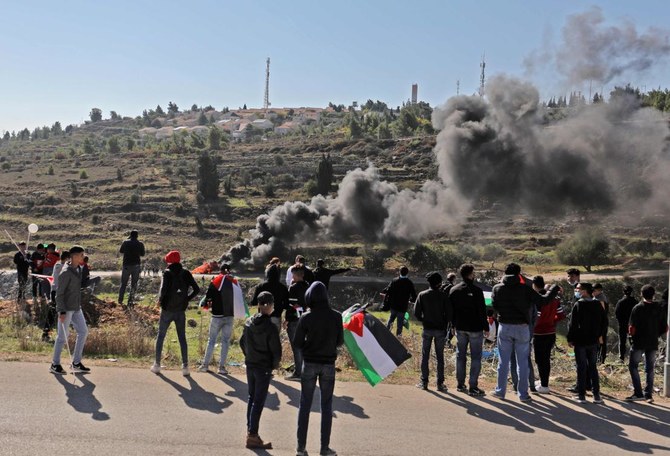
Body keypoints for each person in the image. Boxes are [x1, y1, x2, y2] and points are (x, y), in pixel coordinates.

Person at [491, 263, 559, 402]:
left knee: (503, 361)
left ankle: (500, 391)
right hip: (522, 327)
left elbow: (495, 306)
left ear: (505, 272)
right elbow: (544, 301)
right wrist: (554, 289)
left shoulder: (497, 288)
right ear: (519, 274)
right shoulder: (526, 289)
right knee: (522, 362)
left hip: (504, 326)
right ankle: (523, 394)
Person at [294, 281, 343, 456]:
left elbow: (297, 343)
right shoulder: (336, 316)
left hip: (309, 363)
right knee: (327, 406)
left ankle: (301, 447)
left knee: (305, 404)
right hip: (328, 363)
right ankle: (324, 447)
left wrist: (309, 343)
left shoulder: (306, 317)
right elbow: (340, 341)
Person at [240, 291, 281, 449]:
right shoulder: (270, 327)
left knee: (251, 397)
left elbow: (241, 342)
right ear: (270, 306)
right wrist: (273, 365)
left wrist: (248, 355)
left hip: (251, 364)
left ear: (258, 305)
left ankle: (250, 431)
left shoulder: (249, 323)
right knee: (258, 401)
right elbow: (276, 351)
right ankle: (253, 435)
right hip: (263, 367)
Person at [151, 250, 200, 376]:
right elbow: (197, 289)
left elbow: (163, 290)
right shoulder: (186, 273)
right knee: (182, 338)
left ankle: (157, 365)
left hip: (167, 310)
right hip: (180, 311)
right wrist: (186, 299)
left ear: (169, 261)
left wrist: (159, 302)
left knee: (160, 336)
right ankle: (185, 367)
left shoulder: (167, 273)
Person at [50, 246, 90, 375]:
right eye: (81, 255)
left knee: (83, 332)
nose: (83, 257)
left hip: (76, 307)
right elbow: (59, 293)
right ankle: (55, 364)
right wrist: (61, 311)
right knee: (62, 337)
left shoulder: (78, 268)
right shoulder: (65, 272)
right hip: (66, 309)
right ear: (74, 256)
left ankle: (76, 363)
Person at [449, 264, 487, 396]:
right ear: (470, 274)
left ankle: (460, 384)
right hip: (475, 328)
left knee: (461, 356)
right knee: (476, 357)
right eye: (473, 273)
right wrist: (486, 327)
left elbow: (451, 311)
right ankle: (473, 386)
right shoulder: (477, 291)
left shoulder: (454, 290)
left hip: (460, 327)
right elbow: (482, 312)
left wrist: (452, 325)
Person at [626, 285, 668, 403]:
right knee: (650, 368)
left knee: (633, 366)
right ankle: (648, 394)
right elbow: (665, 327)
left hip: (639, 342)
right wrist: (656, 334)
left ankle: (638, 392)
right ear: (654, 294)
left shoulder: (637, 308)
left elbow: (631, 328)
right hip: (652, 341)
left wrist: (632, 338)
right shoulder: (659, 308)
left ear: (641, 294)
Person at [567, 283, 606, 404]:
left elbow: (573, 324)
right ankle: (596, 395)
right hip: (593, 341)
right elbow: (604, 322)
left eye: (579, 289)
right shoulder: (598, 304)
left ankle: (582, 395)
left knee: (581, 367)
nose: (577, 291)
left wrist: (570, 338)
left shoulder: (579, 304)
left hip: (580, 341)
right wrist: (599, 335)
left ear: (584, 291)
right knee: (593, 367)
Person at [414, 271, 451, 392]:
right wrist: (445, 323)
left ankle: (424, 381)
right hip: (440, 329)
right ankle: (440, 383)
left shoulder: (422, 295)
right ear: (440, 283)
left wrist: (424, 320)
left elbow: (416, 313)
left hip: (427, 328)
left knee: (425, 355)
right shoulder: (444, 296)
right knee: (440, 357)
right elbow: (449, 314)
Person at [198, 264, 235, 375]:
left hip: (217, 316)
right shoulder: (234, 282)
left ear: (220, 271)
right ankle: (222, 367)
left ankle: (205, 365)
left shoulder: (215, 281)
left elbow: (208, 297)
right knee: (225, 342)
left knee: (212, 340)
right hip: (229, 316)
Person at [532, 276, 565, 394]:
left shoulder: (539, 300)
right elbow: (561, 315)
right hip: (551, 332)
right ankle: (542, 381)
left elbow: (537, 318)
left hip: (539, 333)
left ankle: (544, 385)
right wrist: (552, 321)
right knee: (545, 358)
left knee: (540, 359)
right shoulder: (555, 299)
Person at [286, 264, 309, 380]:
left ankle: (298, 372)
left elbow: (291, 304)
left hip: (294, 320)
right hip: (306, 319)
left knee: (296, 347)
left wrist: (287, 319)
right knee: (303, 346)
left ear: (294, 274)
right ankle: (304, 370)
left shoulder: (293, 288)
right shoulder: (308, 286)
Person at [251, 264, 289, 331]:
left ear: (267, 274)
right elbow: (286, 304)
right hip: (276, 316)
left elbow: (254, 302)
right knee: (274, 339)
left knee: (262, 338)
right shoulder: (282, 287)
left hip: (262, 316)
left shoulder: (261, 286)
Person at [43, 251, 70, 342]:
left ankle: (51, 333)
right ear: (66, 258)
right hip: (57, 293)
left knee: (56, 314)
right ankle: (47, 333)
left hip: (58, 292)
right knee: (54, 313)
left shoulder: (58, 265)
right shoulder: (60, 266)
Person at [383, 266, 417, 337]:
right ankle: (398, 337)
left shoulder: (394, 280)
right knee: (400, 323)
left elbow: (388, 290)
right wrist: (411, 300)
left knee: (391, 319)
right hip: (402, 306)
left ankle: (385, 334)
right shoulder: (409, 283)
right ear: (407, 273)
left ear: (399, 272)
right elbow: (414, 295)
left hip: (393, 305)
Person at [118, 230, 145, 307]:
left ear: (130, 235)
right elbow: (142, 254)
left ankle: (120, 300)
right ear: (137, 236)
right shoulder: (140, 244)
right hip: (136, 265)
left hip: (126, 265)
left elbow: (121, 251)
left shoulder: (126, 242)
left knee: (123, 283)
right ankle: (130, 301)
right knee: (134, 284)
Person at [615, 285, 637, 362]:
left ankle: (621, 357)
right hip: (633, 324)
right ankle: (634, 357)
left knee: (622, 341)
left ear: (623, 292)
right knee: (633, 341)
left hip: (623, 324)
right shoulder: (635, 302)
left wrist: (621, 322)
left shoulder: (620, 302)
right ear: (632, 292)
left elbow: (617, 313)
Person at [593, 283, 610, 363]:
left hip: (601, 323)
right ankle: (599, 359)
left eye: (594, 290)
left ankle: (601, 360)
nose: (592, 292)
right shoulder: (597, 297)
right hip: (599, 323)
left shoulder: (600, 298)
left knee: (601, 341)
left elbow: (602, 312)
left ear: (599, 290)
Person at [441, 272, 458, 348]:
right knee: (451, 327)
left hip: (441, 310)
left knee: (444, 327)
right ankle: (447, 341)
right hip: (449, 310)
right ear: (453, 279)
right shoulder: (452, 287)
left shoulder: (442, 285)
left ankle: (443, 341)